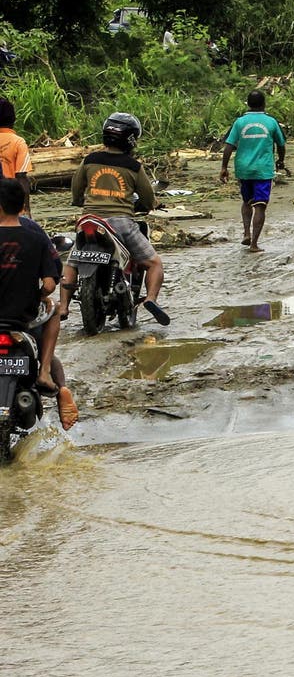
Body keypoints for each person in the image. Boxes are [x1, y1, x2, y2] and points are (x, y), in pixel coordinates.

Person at [59, 113, 169, 326]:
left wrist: (78, 201)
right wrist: (150, 206)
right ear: (131, 139)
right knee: (154, 263)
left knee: (72, 262)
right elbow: (147, 197)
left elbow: (76, 188)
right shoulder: (134, 167)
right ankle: (150, 299)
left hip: (89, 220)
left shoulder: (89, 160)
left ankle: (63, 307)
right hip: (121, 223)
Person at [0, 177, 76, 429]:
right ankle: (46, 373)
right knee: (53, 308)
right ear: (21, 206)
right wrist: (39, 292)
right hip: (22, 317)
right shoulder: (35, 236)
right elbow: (50, 284)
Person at [219, 90, 287, 252]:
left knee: (246, 201)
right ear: (264, 103)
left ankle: (246, 233)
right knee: (260, 206)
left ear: (248, 104)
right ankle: (254, 244)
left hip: (243, 169)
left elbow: (229, 146)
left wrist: (224, 167)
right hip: (263, 170)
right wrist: (281, 160)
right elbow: (281, 144)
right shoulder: (271, 122)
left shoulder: (240, 122)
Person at [0, 97, 32, 214]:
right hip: (11, 205)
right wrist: (26, 208)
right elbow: (21, 176)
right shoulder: (18, 142)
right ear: (13, 119)